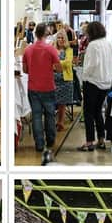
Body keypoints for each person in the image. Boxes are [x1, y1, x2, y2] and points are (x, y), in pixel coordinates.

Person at [22, 22, 62, 151]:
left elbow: (25, 70)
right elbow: (59, 68)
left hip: (33, 87)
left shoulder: (28, 50)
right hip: (48, 86)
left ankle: (39, 144)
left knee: (36, 115)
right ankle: (50, 141)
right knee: (50, 114)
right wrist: (51, 68)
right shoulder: (51, 49)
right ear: (46, 33)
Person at [77, 21, 112, 151]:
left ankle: (89, 142)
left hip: (93, 83)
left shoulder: (93, 45)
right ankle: (101, 139)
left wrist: (84, 78)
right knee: (98, 111)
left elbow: (90, 65)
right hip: (106, 83)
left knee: (88, 113)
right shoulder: (108, 44)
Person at [53, 30, 74, 132]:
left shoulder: (69, 50)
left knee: (62, 104)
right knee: (52, 102)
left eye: (62, 38)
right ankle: (52, 122)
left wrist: (55, 64)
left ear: (65, 39)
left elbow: (68, 63)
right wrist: (60, 63)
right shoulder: (52, 49)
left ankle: (61, 122)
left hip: (65, 81)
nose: (60, 40)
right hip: (53, 80)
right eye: (58, 38)